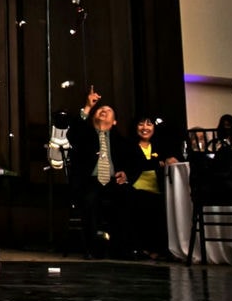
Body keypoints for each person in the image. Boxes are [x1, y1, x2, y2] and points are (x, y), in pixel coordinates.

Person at [68, 100, 128, 257]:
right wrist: (87, 106)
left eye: (108, 110)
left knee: (128, 199)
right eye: (100, 108)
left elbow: (132, 162)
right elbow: (72, 132)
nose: (104, 110)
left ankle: (121, 249)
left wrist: (125, 173)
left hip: (113, 181)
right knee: (89, 201)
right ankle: (92, 248)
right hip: (89, 181)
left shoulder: (120, 140)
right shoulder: (84, 134)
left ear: (114, 121)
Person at [121, 116, 177, 258]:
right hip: (136, 189)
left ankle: (159, 249)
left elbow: (167, 161)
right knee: (140, 204)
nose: (145, 128)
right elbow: (134, 166)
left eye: (149, 124)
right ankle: (142, 248)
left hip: (159, 188)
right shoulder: (128, 146)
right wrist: (155, 163)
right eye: (141, 124)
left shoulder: (160, 145)